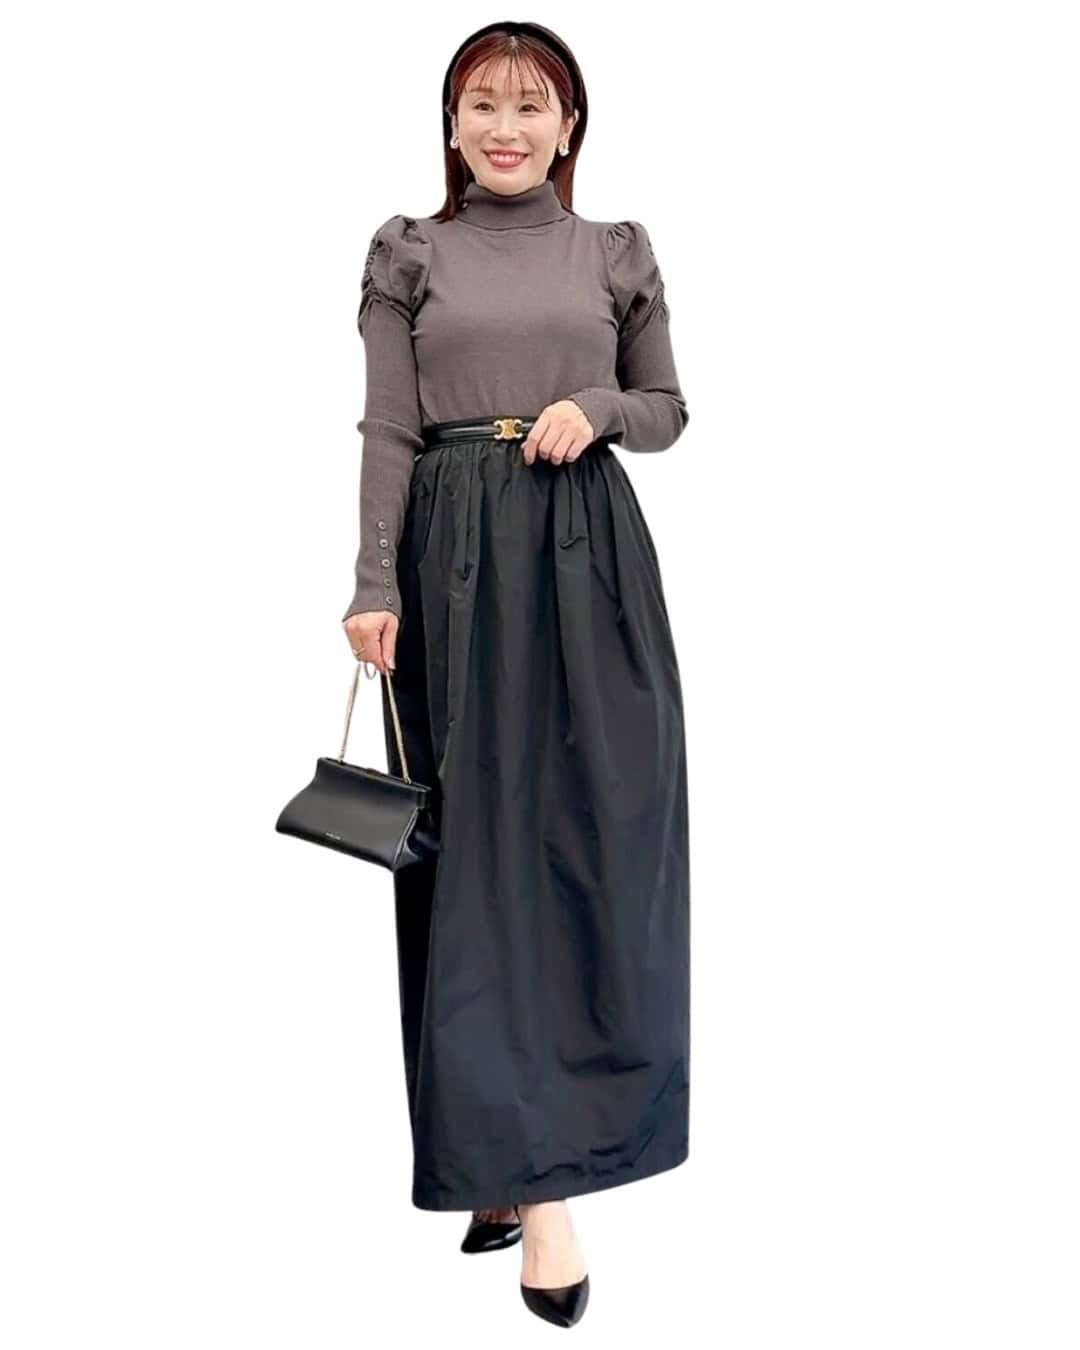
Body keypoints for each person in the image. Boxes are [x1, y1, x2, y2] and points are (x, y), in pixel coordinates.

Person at [341, 21, 691, 1330]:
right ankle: (530, 1185)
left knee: (594, 851)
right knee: (472, 865)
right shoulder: (409, 255)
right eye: (481, 104)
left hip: (588, 561)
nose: (505, 126)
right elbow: (388, 426)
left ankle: (528, 1157)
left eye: (530, 105)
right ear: (450, 124)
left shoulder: (615, 252)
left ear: (569, 125)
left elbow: (668, 407)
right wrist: (373, 583)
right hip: (450, 566)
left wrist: (598, 409)